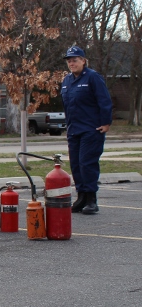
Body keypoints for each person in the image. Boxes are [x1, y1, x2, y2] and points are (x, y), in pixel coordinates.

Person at [61, 46, 113, 214]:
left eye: (75, 60)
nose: (71, 63)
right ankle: (81, 196)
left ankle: (91, 199)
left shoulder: (92, 77)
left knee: (87, 164)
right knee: (76, 165)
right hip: (74, 130)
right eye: (69, 61)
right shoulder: (67, 80)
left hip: (91, 129)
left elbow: (104, 100)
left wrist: (106, 122)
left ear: (83, 60)